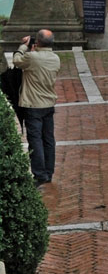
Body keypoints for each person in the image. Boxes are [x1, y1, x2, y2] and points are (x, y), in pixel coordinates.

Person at [13, 29, 60, 185]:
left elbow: (17, 61)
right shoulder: (55, 58)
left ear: (37, 42)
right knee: (48, 139)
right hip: (48, 104)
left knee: (35, 140)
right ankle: (49, 171)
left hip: (33, 105)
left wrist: (23, 46)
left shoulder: (32, 57)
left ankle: (39, 174)